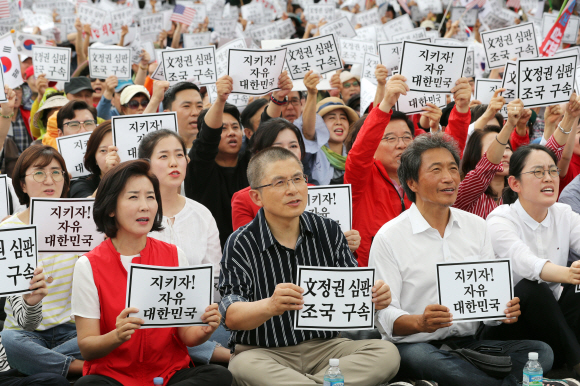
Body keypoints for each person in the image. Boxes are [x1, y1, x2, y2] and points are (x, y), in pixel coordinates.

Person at [368, 133, 554, 386]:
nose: (449, 178)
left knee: (541, 352)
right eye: (436, 170)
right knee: (429, 360)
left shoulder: (477, 226)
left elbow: (489, 310)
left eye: (453, 169)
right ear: (412, 182)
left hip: (469, 345)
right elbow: (384, 315)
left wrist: (503, 311)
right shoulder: (389, 237)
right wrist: (421, 322)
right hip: (416, 345)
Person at [221, 147, 400, 386]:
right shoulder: (241, 242)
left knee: (386, 354)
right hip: (263, 352)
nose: (293, 190)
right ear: (256, 197)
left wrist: (374, 298)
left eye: (297, 179)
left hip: (327, 349)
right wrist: (270, 306)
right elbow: (230, 315)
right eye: (280, 183)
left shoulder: (329, 229)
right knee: (242, 366)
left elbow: (352, 290)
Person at [71, 160, 232, 386]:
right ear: (109, 208)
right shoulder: (88, 265)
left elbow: (186, 335)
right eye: (133, 197)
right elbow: (87, 348)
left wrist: (205, 330)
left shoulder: (175, 255)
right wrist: (116, 336)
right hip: (114, 376)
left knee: (220, 376)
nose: (145, 206)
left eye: (150, 197)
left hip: (169, 373)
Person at [483, 142, 580, 376]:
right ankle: (576, 364)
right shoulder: (500, 219)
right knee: (532, 287)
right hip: (511, 326)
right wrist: (568, 273)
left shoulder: (563, 213)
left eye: (552, 171)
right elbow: (525, 262)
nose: (548, 178)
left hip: (553, 321)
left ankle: (566, 363)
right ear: (515, 183)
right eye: (538, 172)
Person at [137, 129, 229, 364]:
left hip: (195, 316)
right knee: (151, 337)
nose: (174, 163)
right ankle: (222, 356)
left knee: (237, 327)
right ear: (146, 165)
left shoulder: (201, 213)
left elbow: (215, 277)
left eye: (179, 155)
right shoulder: (136, 214)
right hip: (146, 320)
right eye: (164, 156)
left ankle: (213, 351)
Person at [344, 73, 449, 267]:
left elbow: (446, 168)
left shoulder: (420, 179)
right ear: (374, 144)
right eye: (390, 138)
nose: (401, 145)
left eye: (406, 137)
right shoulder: (359, 181)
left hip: (417, 271)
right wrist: (386, 104)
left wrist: (437, 131)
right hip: (373, 276)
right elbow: (360, 153)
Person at [0, 145, 85, 377]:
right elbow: (24, 323)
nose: (49, 180)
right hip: (26, 334)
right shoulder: (9, 230)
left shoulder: (83, 223)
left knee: (109, 334)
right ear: (23, 184)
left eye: (57, 172)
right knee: (9, 340)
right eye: (39, 172)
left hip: (74, 333)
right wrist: (31, 302)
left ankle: (41, 365)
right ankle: (74, 368)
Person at [230, 117, 362, 251]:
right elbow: (248, 248)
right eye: (278, 147)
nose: (287, 152)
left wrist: (344, 243)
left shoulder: (314, 191)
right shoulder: (244, 199)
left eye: (293, 146)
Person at [454, 98, 574, 219]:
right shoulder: (464, 193)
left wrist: (569, 118)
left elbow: (546, 156)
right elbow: (485, 168)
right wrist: (510, 124)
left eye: (507, 148)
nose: (504, 154)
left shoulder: (522, 190)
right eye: (497, 148)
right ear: (475, 156)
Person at [184, 75, 263, 248]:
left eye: (235, 127)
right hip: (211, 255)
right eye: (223, 128)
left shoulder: (253, 164)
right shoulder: (198, 168)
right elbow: (206, 141)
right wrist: (220, 100)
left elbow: (265, 132)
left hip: (252, 251)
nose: (231, 132)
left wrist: (278, 99)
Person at [0, 276, 71, 386]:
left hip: (72, 334)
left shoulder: (83, 259)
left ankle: (34, 362)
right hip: (19, 337)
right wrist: (30, 305)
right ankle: (80, 366)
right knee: (6, 340)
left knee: (99, 337)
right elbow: (27, 324)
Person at [297, 71, 359, 185]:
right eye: (332, 118)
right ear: (319, 125)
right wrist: (311, 93)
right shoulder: (312, 153)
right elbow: (307, 130)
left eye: (343, 118)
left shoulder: (355, 156)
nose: (339, 122)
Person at [69, 121, 120, 198]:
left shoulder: (143, 180)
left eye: (117, 150)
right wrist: (111, 174)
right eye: (103, 151)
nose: (112, 156)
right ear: (94, 157)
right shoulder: (81, 184)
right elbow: (87, 206)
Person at [162, 82, 204, 150]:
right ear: (167, 114)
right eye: (186, 106)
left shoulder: (215, 149)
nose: (195, 113)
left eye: (199, 106)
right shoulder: (159, 151)